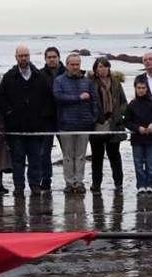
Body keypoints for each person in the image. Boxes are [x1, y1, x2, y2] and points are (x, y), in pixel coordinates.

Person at [0, 44, 53, 196]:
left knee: (35, 159)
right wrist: (9, 113)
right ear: (16, 57)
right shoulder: (9, 76)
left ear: (30, 56)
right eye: (21, 56)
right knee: (18, 160)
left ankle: (35, 185)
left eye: (26, 55)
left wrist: (42, 116)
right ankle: (19, 187)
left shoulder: (39, 76)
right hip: (16, 128)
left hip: (36, 127)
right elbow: (0, 98)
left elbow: (48, 99)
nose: (23, 58)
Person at [53, 52, 99, 194]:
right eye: (72, 64)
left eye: (77, 64)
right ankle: (69, 183)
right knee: (67, 157)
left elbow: (95, 101)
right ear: (67, 65)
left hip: (84, 125)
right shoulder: (59, 81)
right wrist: (78, 98)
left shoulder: (87, 82)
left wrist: (93, 118)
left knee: (81, 156)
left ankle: (79, 182)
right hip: (66, 124)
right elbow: (58, 97)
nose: (75, 67)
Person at [89, 58, 127, 195]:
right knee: (97, 157)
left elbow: (123, 102)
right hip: (98, 124)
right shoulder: (91, 83)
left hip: (113, 124)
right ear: (95, 69)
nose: (103, 69)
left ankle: (119, 184)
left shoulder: (116, 83)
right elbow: (89, 104)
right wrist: (95, 117)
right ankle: (96, 185)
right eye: (100, 67)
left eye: (105, 67)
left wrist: (118, 114)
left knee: (115, 156)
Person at [124, 80, 152, 194]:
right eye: (139, 88)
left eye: (143, 88)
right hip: (137, 139)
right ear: (135, 89)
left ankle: (150, 184)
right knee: (138, 163)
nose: (141, 90)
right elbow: (127, 121)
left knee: (151, 164)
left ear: (147, 89)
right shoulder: (132, 104)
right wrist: (137, 128)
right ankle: (141, 184)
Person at [39, 47, 65, 191]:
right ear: (45, 59)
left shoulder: (66, 72)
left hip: (64, 118)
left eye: (54, 56)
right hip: (46, 118)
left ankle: (70, 181)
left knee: (67, 152)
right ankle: (46, 180)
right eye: (49, 57)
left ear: (59, 57)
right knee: (44, 152)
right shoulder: (40, 74)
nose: (52, 59)